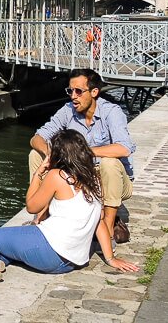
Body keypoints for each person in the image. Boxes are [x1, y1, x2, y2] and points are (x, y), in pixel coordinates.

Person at [0, 130, 139, 284]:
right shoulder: (93, 179)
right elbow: (99, 224)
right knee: (6, 248)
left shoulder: (57, 176)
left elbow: (31, 206)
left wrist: (39, 173)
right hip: (70, 263)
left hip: (48, 254)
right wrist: (111, 259)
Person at [29, 68, 135, 241]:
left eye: (79, 91)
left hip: (112, 180)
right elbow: (37, 137)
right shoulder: (67, 110)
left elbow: (124, 148)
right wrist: (50, 153)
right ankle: (41, 215)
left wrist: (82, 152)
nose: (73, 96)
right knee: (35, 155)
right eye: (70, 90)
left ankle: (108, 226)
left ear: (94, 92)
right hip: (81, 177)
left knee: (110, 162)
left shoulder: (112, 112)